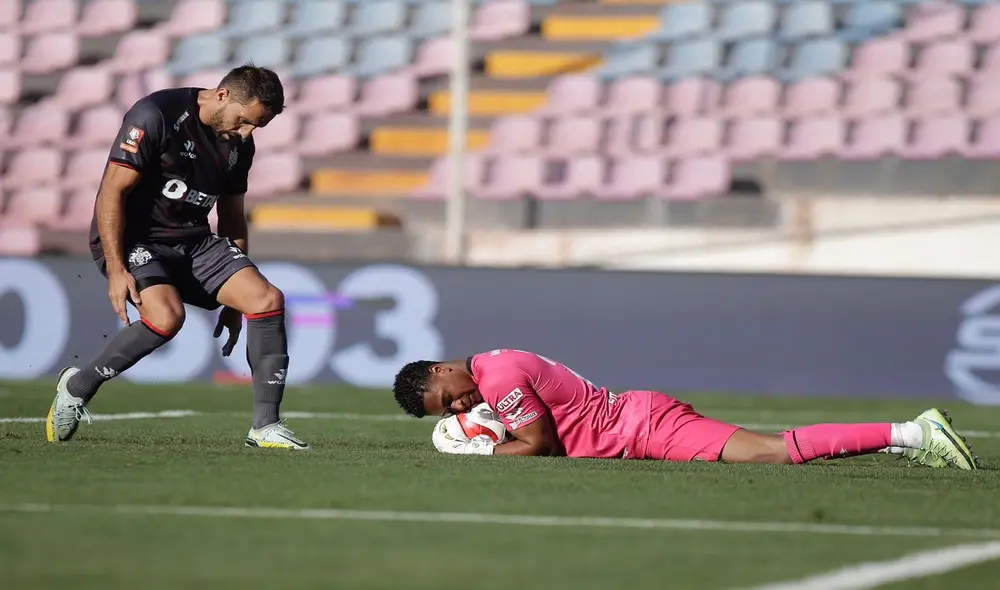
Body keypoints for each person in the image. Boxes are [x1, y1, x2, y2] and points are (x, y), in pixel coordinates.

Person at [45, 64, 309, 450]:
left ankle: (265, 427)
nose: (246, 133)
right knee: (167, 318)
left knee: (267, 300)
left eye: (256, 127)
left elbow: (232, 215)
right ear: (222, 96)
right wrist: (117, 269)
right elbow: (111, 193)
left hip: (194, 240)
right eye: (244, 121)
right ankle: (78, 385)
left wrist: (238, 295)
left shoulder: (239, 144)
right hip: (136, 238)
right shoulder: (156, 115)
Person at [393, 348, 978, 469]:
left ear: (444, 369)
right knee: (769, 452)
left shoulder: (499, 378)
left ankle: (913, 432)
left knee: (772, 453)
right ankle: (909, 433)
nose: (462, 405)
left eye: (452, 397)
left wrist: (486, 452)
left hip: (643, 427)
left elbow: (540, 446)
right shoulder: (494, 366)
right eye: (451, 410)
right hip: (635, 420)